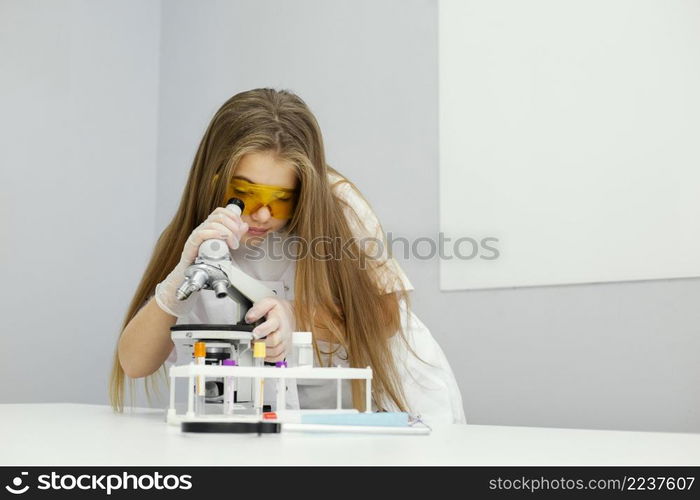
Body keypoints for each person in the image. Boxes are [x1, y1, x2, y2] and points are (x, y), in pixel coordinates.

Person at [111, 88, 466, 424]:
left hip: (394, 403)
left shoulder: (338, 205)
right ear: (213, 177)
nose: (263, 215)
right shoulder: (198, 235)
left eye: (282, 198)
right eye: (245, 193)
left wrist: (294, 313)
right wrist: (176, 283)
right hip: (286, 419)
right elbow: (135, 362)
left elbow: (386, 315)